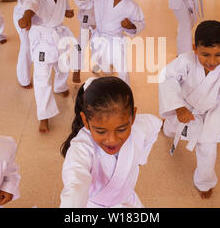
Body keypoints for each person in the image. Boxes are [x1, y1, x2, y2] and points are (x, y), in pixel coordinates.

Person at [158, 20, 220, 199]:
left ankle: (204, 182)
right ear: (195, 48)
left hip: (209, 115)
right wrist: (178, 107)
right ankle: (166, 126)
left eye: (218, 54)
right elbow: (167, 77)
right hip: (183, 106)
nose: (212, 61)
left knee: (208, 151)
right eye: (205, 54)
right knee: (172, 129)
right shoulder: (186, 60)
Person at [60, 76, 162, 208]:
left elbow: (155, 126)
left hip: (127, 201)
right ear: (85, 121)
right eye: (101, 131)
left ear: (133, 116)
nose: (112, 140)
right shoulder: (81, 148)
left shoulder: (141, 127)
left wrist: (140, 158)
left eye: (121, 129)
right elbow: (76, 185)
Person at [18, 0, 77, 133]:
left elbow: (62, 5)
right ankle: (44, 116)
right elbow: (31, 5)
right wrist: (26, 17)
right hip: (43, 40)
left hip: (59, 35)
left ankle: (60, 86)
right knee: (42, 77)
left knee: (63, 65)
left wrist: (67, 11)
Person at [73, 0, 145, 85]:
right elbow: (83, 3)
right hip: (99, 37)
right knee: (102, 65)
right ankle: (100, 68)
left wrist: (131, 26)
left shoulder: (132, 6)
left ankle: (126, 96)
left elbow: (141, 23)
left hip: (116, 41)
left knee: (123, 71)